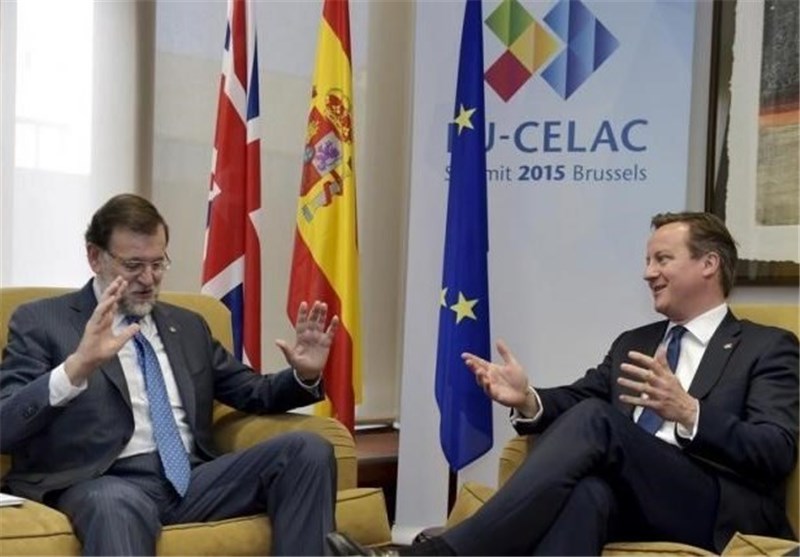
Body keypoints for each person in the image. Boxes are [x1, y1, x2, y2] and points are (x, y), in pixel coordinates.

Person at [327, 211, 799, 556]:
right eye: (647, 260)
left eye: (662, 259)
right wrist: (527, 398)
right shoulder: (635, 342)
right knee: (587, 494)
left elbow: (775, 449)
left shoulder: (768, 346)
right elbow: (581, 396)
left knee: (597, 420)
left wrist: (689, 412)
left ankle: (441, 554)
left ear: (709, 264)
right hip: (633, 499)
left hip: (712, 507)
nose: (647, 272)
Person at [0, 194, 340, 556]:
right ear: (95, 257)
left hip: (192, 480)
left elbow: (253, 391)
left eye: (158, 264)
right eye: (133, 265)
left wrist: (303, 374)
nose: (148, 279)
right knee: (114, 505)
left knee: (307, 450)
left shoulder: (188, 325)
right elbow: (6, 425)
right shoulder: (42, 321)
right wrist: (76, 368)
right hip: (103, 481)